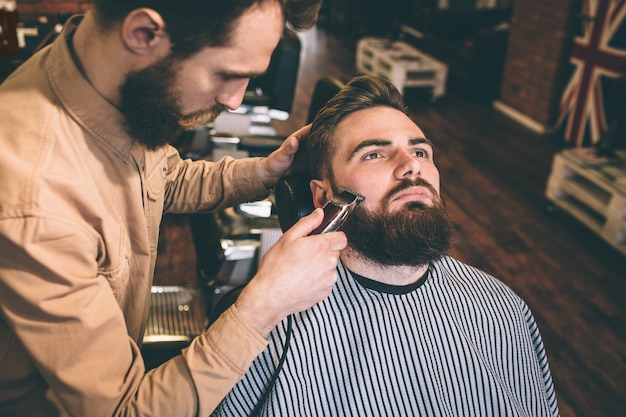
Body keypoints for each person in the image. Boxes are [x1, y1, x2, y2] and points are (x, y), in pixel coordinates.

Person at [0, 1, 348, 416]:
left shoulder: (106, 82)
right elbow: (124, 410)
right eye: (227, 74)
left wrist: (266, 171)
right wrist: (264, 305)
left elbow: (160, 178)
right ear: (144, 33)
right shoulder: (35, 201)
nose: (235, 100)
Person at [214, 75, 561, 417]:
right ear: (325, 196)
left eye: (421, 151)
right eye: (374, 154)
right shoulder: (271, 334)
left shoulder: (502, 309)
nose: (411, 166)